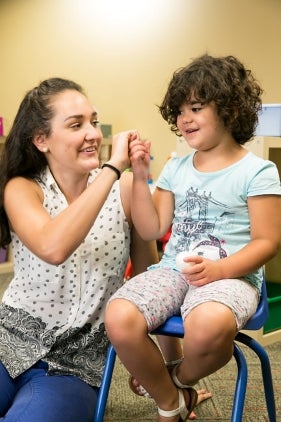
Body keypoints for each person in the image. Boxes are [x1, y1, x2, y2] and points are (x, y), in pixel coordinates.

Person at [105, 54, 281, 422]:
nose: (184, 118)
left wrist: (221, 270)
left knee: (207, 326)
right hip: (174, 271)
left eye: (196, 107)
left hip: (232, 276)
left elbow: (268, 242)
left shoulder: (258, 172)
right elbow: (152, 228)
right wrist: (139, 175)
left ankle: (175, 380)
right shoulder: (177, 167)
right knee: (119, 316)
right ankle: (172, 402)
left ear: (231, 110)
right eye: (180, 110)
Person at [0, 77, 161, 422]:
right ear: (41, 140)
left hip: (76, 366)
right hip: (7, 342)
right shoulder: (23, 188)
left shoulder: (127, 189)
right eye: (76, 125)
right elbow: (52, 246)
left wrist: (169, 374)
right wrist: (112, 168)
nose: (92, 133)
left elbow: (151, 283)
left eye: (93, 121)